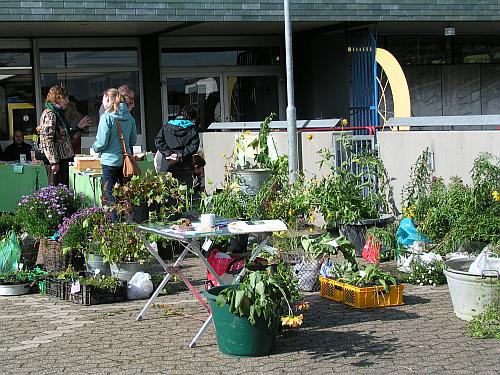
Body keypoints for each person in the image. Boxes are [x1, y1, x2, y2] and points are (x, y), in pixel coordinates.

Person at [92, 88, 137, 220]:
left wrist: (95, 148)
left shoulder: (106, 117)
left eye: (103, 99)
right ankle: (128, 223)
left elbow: (101, 142)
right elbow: (133, 140)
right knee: (124, 195)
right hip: (125, 162)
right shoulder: (130, 117)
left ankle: (115, 226)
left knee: (110, 195)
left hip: (110, 161)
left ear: (107, 100)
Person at [39, 85, 91, 186]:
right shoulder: (50, 114)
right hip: (58, 162)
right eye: (65, 98)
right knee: (57, 193)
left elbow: (64, 137)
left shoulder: (59, 114)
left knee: (64, 191)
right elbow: (47, 140)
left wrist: (78, 128)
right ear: (58, 98)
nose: (68, 101)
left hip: (64, 160)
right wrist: (54, 162)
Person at [154, 106, 200, 187]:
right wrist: (180, 155)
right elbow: (193, 147)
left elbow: (158, 141)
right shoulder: (192, 129)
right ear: (191, 118)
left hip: (167, 164)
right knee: (185, 195)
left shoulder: (166, 127)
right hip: (186, 166)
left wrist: (168, 153)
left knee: (168, 194)